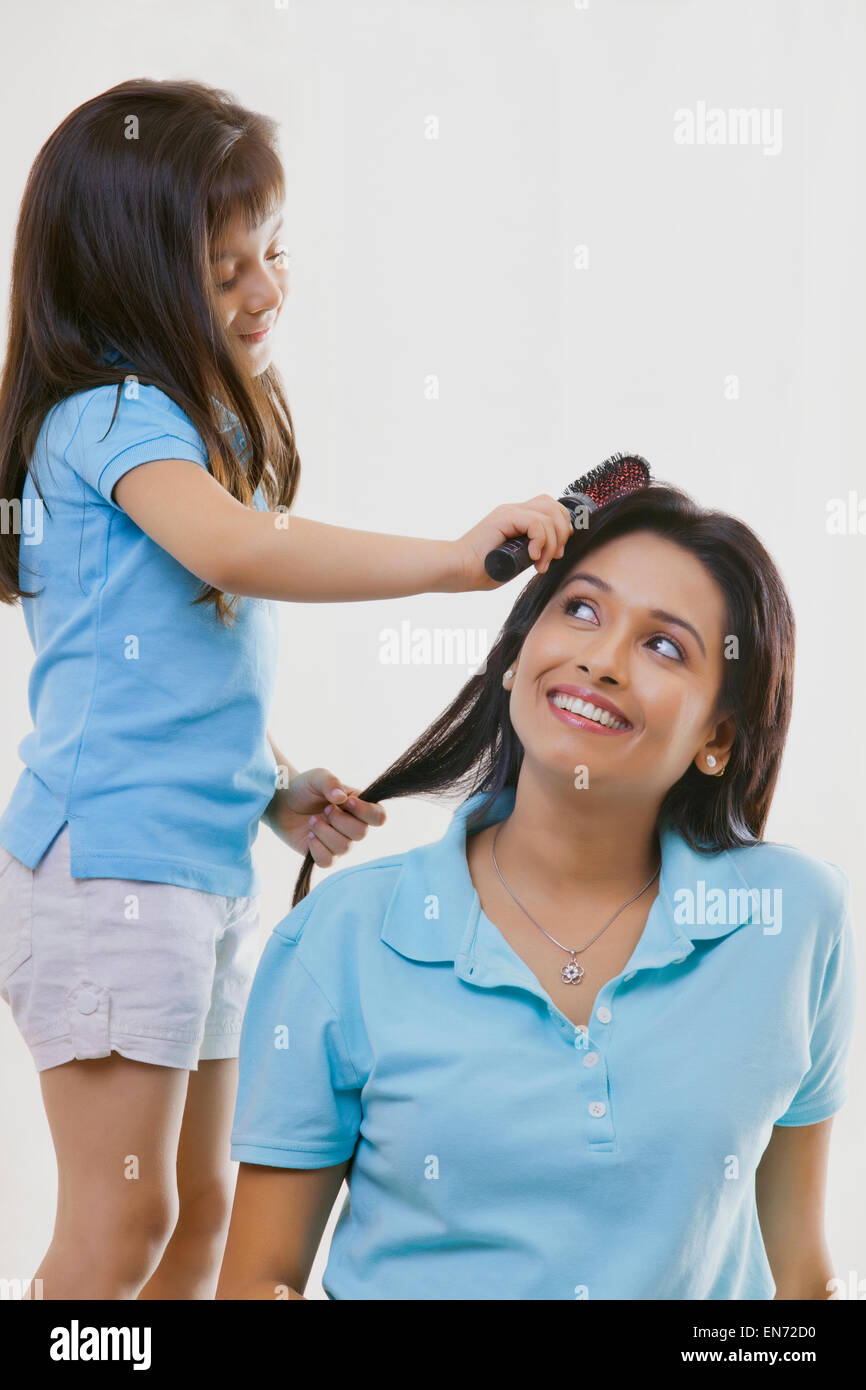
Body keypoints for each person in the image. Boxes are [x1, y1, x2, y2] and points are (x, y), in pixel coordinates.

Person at [0, 76, 572, 1300]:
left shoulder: (180, 422)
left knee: (202, 1213)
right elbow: (240, 552)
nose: (265, 292)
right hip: (110, 875)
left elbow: (153, 681)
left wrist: (273, 786)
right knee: (120, 1232)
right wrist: (447, 562)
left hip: (186, 867)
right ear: (127, 285)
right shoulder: (107, 420)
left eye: (273, 253)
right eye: (224, 271)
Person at [219, 481, 857, 1300]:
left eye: (666, 647)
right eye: (582, 611)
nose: (601, 658)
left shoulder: (794, 921)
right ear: (519, 652)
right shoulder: (341, 937)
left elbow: (800, 1278)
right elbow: (259, 1283)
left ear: (718, 739)